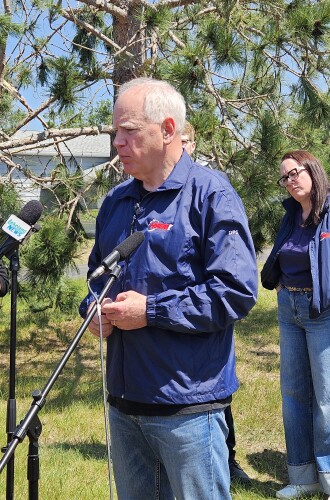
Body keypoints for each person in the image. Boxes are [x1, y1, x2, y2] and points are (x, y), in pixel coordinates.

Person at [80, 77, 258, 500]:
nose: (118, 142)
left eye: (130, 131)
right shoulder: (116, 201)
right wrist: (94, 310)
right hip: (125, 404)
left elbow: (235, 291)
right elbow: (95, 277)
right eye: (115, 132)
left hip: (187, 408)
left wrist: (152, 311)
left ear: (167, 129)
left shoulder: (211, 195)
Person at [181, 120, 252, 486]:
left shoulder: (212, 186)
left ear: (193, 141)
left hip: (209, 317)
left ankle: (229, 458)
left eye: (188, 139)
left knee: (218, 397)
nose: (185, 145)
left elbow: (232, 277)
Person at [261, 150, 330, 499]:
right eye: (284, 177)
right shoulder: (290, 215)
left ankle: (328, 475)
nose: (289, 181)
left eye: (294, 173)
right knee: (293, 394)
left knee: (326, 398)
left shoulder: (329, 213)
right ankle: (302, 477)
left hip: (323, 311)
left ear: (312, 171)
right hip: (289, 306)